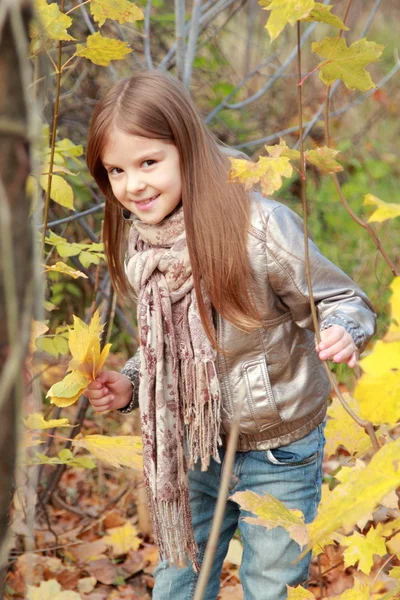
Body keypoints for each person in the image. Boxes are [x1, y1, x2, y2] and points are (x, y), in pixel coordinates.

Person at [84, 70, 376, 600]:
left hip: (278, 446)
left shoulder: (259, 228)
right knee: (178, 578)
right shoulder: (143, 245)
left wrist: (342, 329)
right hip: (193, 444)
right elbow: (166, 346)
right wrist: (130, 383)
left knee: (270, 582)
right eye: (116, 171)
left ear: (187, 148)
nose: (133, 185)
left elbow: (342, 298)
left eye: (149, 162)